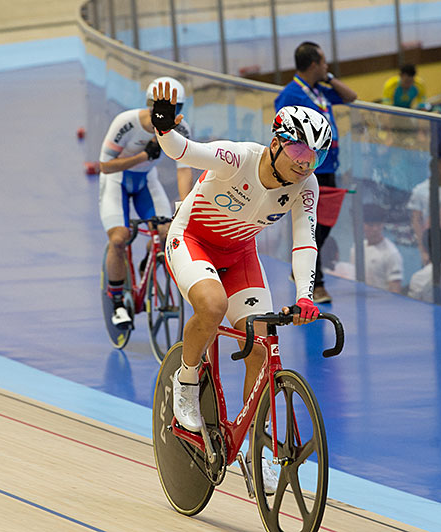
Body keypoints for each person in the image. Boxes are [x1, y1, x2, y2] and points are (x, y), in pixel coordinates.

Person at [152, 80, 330, 494]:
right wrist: (164, 126)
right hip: (193, 240)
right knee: (211, 307)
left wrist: (304, 294)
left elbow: (305, 241)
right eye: (300, 151)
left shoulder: (306, 186)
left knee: (263, 346)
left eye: (316, 155)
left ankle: (257, 451)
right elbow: (184, 151)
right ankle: (188, 379)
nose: (306, 164)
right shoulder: (238, 157)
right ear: (276, 143)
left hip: (239, 257)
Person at [99, 76, 194, 327]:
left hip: (146, 182)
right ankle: (118, 301)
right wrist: (142, 156)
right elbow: (105, 166)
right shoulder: (126, 123)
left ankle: (148, 263)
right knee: (119, 239)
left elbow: (184, 169)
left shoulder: (180, 128)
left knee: (165, 232)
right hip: (116, 181)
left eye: (177, 109)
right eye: (163, 108)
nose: (170, 114)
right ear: (151, 106)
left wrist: (184, 206)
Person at [274, 41, 358, 304]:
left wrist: (329, 78)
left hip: (329, 164)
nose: (327, 66)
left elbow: (350, 96)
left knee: (326, 222)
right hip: (309, 167)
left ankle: (300, 268)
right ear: (313, 64)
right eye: (323, 63)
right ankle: (315, 283)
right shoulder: (291, 94)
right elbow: (282, 132)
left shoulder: (319, 91)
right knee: (312, 224)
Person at [352, 203, 404, 293]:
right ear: (361, 225)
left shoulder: (391, 254)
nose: (375, 229)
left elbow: (395, 291)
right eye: (371, 225)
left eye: (379, 225)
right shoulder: (356, 248)